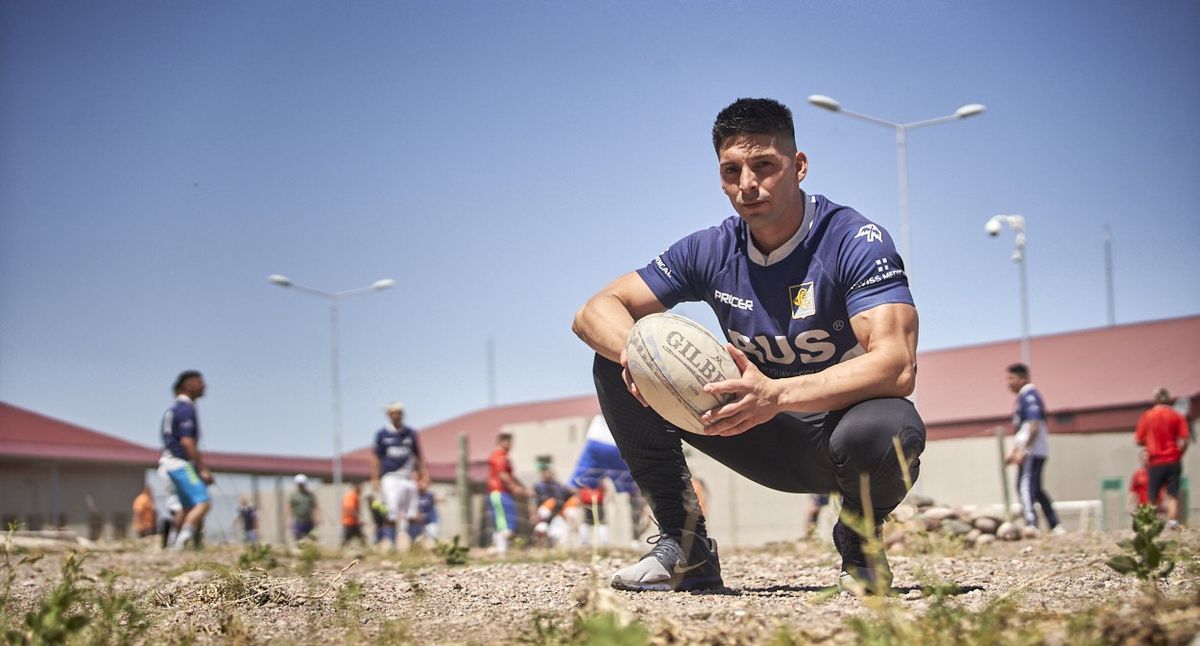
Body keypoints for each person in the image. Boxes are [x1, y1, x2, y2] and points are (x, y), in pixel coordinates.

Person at [572, 98, 926, 594]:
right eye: (731, 170)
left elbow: (896, 366)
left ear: (798, 167)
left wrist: (777, 395)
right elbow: (593, 310)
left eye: (764, 165)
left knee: (892, 427)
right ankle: (685, 549)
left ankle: (860, 542)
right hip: (748, 426)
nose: (747, 183)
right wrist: (636, 354)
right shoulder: (711, 249)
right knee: (617, 361)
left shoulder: (855, 240)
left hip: (836, 434)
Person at [568, 415, 648, 548]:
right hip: (616, 443)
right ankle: (636, 539)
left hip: (594, 441)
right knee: (634, 491)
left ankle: (576, 537)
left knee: (576, 485)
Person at [1005, 363, 1065, 535]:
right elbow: (1023, 429)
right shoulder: (1023, 397)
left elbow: (1033, 425)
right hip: (1032, 449)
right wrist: (1014, 450)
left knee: (1024, 486)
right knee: (1036, 489)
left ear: (1023, 378)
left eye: (1011, 378)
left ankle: (1031, 523)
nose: (1008, 383)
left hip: (1032, 451)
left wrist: (1022, 450)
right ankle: (1055, 524)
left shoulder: (1029, 396)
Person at [157, 370, 214, 550]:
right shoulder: (186, 409)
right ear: (187, 385)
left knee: (183, 506)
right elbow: (187, 442)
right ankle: (182, 543)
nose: (204, 386)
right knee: (203, 503)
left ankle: (172, 542)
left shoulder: (174, 409)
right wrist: (202, 468)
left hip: (166, 462)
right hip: (180, 464)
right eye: (199, 382)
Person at [370, 402, 429, 549]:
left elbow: (418, 456)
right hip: (390, 476)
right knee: (391, 511)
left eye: (399, 412)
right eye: (394, 413)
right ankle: (390, 542)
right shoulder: (382, 434)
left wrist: (424, 475)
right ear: (389, 415)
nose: (397, 416)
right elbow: (376, 457)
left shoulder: (410, 433)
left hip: (408, 476)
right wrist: (375, 477)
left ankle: (414, 543)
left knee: (412, 511)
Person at [1135, 387, 1190, 528]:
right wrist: (1179, 454)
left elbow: (1138, 440)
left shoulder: (1148, 416)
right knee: (1172, 493)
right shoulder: (1177, 416)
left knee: (1152, 495)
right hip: (1173, 460)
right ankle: (1172, 522)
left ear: (1155, 399)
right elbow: (1184, 440)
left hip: (1156, 461)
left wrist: (1149, 443)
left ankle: (1151, 524)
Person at [487, 432, 529, 555]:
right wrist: (514, 487)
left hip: (505, 493)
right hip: (498, 492)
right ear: (501, 442)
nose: (511, 445)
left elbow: (511, 475)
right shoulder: (498, 456)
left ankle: (500, 549)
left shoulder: (506, 457)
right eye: (509, 442)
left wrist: (523, 488)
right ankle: (499, 549)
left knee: (508, 522)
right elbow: (503, 475)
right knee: (503, 523)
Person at [1127, 450, 1164, 514]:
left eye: (1147, 457)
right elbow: (1133, 491)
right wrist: (1129, 504)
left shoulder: (1158, 473)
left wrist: (1164, 503)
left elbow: (1164, 489)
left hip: (1156, 507)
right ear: (1140, 459)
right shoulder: (1137, 474)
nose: (1145, 458)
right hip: (1142, 509)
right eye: (1143, 456)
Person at [406, 480, 440, 547]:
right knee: (416, 538)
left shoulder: (430, 495)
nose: (422, 485)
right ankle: (416, 549)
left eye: (424, 483)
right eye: (419, 483)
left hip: (430, 520)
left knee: (432, 538)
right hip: (418, 522)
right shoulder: (414, 496)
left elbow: (438, 498)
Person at [286, 474, 319, 542]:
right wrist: (288, 520)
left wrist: (317, 518)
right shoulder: (293, 495)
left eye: (302, 484)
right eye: (299, 484)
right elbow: (289, 507)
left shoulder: (309, 495)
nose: (301, 485)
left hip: (309, 520)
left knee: (312, 538)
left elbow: (315, 506)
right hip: (298, 521)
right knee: (299, 539)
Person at [342, 481, 366, 548]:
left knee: (361, 537)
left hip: (354, 522)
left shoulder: (354, 496)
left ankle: (366, 550)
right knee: (347, 539)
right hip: (350, 522)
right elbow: (350, 509)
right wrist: (359, 518)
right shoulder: (352, 496)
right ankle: (340, 551)